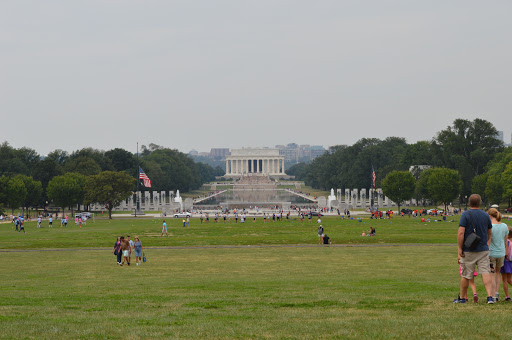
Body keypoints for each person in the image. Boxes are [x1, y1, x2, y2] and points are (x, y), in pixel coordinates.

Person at [454, 194, 494, 304]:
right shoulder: (486, 215)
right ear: (480, 203)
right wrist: (487, 242)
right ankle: (490, 297)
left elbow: (461, 232)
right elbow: (489, 231)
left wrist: (460, 248)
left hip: (468, 249)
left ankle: (462, 298)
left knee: (466, 275)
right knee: (485, 272)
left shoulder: (465, 214)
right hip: (483, 249)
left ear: (469, 203)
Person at [487, 208, 509, 302]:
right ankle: (496, 293)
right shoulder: (504, 226)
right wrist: (506, 252)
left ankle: (492, 295)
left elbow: (488, 240)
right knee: (497, 274)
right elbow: (505, 241)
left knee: (491, 274)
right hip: (501, 253)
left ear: (490, 216)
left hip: (491, 252)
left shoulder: (490, 226)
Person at [500, 226, 512, 301]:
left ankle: (507, 296)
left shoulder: (505, 242)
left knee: (504, 279)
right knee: (509, 279)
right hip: (511, 262)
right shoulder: (511, 242)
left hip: (505, 261)